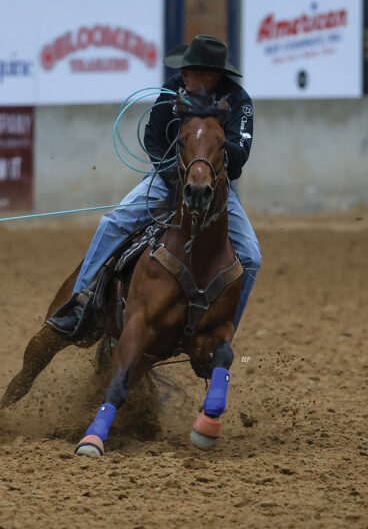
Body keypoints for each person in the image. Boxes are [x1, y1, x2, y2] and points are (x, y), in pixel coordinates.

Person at [47, 35, 261, 338]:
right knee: (113, 222)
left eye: (189, 70)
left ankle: (224, 334)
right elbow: (153, 138)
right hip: (167, 179)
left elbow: (239, 157)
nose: (182, 74)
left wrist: (216, 139)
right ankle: (79, 304)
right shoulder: (173, 87)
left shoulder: (238, 101)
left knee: (251, 256)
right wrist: (173, 176)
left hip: (213, 190)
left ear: (209, 75)